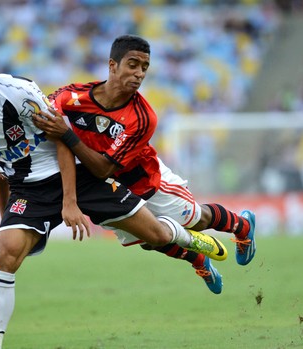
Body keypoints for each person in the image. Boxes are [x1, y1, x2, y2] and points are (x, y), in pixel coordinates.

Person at [0, 41, 227, 349]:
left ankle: (189, 240)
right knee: (3, 253)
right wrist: (4, 212)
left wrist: (69, 202)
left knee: (157, 235)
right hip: (29, 190)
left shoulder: (18, 92)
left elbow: (60, 137)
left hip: (76, 175)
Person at [32, 34, 257, 295]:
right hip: (107, 189)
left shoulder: (142, 117)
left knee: (196, 220)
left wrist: (66, 134)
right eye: (133, 64)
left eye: (144, 68)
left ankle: (242, 226)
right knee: (150, 241)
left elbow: (104, 167)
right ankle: (198, 260)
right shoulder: (73, 96)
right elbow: (43, 111)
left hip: (147, 183)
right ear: (112, 65)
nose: (139, 73)